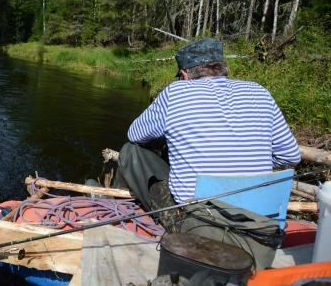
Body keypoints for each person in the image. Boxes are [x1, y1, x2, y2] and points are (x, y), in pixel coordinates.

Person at [114, 37, 301, 232]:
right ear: (222, 67)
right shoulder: (260, 92)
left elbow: (134, 134)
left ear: (185, 75)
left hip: (201, 224)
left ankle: (118, 207)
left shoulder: (176, 93)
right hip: (260, 221)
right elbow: (291, 155)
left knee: (131, 151)